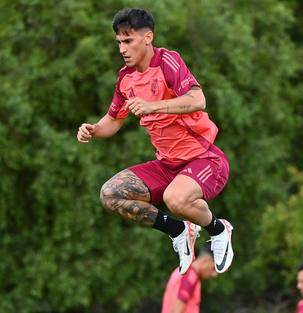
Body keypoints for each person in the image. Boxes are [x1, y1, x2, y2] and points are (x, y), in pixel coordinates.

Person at [76, 8, 233, 274]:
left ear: (148, 37)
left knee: (175, 198)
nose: (122, 49)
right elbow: (112, 120)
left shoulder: (167, 62)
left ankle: (218, 230)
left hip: (204, 159)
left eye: (128, 41)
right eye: (119, 43)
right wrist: (93, 129)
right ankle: (178, 231)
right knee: (111, 194)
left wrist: (153, 106)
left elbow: (198, 100)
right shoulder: (125, 78)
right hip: (166, 166)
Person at [161, 245, 218, 313]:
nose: (215, 274)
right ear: (205, 260)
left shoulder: (184, 271)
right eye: (214, 268)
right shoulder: (190, 276)